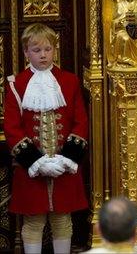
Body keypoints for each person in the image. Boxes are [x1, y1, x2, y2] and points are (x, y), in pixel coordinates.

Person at [4, 23, 88, 254]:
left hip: (64, 167)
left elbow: (81, 121)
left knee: (62, 219)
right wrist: (37, 162)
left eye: (48, 49)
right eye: (36, 50)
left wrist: (65, 159)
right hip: (31, 169)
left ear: (55, 50)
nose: (43, 55)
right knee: (33, 222)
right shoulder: (16, 85)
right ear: (26, 52)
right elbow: (12, 127)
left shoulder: (69, 81)